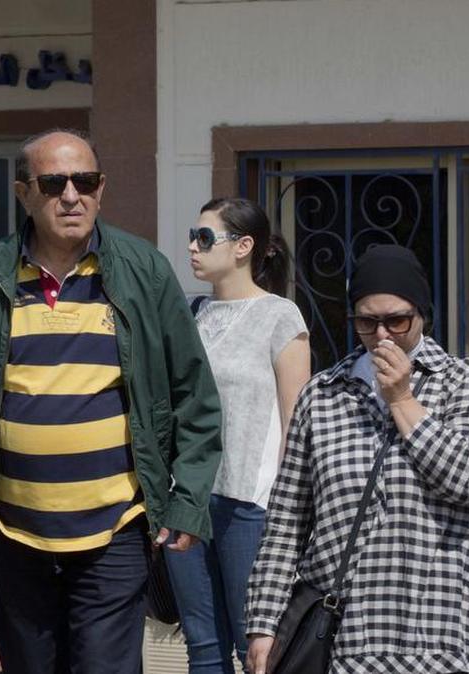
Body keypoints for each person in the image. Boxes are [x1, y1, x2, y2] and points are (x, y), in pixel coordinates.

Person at [0, 128, 223, 673]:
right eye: (54, 182)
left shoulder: (144, 271)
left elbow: (193, 393)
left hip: (117, 529)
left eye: (84, 181)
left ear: (101, 188)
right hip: (16, 531)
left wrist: (188, 500)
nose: (71, 195)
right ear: (23, 193)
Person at [245, 244, 469, 674]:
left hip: (448, 634)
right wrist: (263, 622)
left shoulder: (463, 381)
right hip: (351, 637)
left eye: (397, 321)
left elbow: (467, 479)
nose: (383, 335)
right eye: (367, 322)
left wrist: (402, 399)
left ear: (422, 315)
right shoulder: (323, 394)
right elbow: (288, 520)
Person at [164, 198, 310, 673]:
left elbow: (297, 423)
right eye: (193, 234)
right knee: (203, 647)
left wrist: (293, 515)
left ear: (244, 246)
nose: (192, 246)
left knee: (257, 650)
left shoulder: (280, 316)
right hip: (185, 498)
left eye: (205, 237)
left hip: (250, 504)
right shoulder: (189, 313)